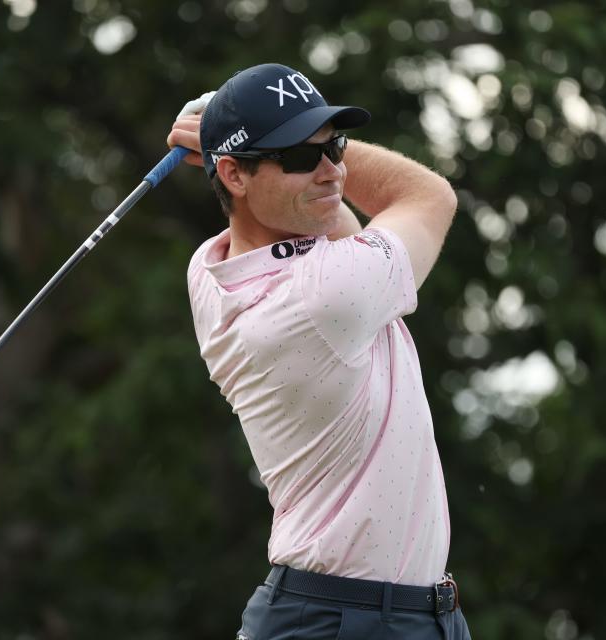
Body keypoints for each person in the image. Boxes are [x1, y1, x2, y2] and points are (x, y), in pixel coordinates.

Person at [167, 63, 469, 640]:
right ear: (232, 175)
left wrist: (240, 149)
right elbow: (429, 195)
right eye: (303, 157)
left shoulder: (212, 269)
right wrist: (221, 137)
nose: (334, 170)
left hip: (369, 612)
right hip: (352, 620)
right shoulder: (324, 296)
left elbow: (330, 221)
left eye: (337, 146)